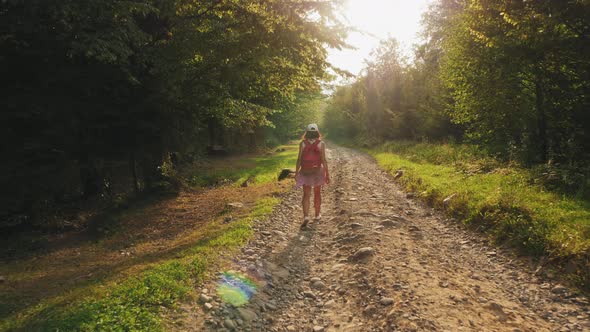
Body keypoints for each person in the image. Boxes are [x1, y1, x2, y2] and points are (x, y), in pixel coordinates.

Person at [295, 123, 330, 228]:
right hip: (317, 171)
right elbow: (324, 160)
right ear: (317, 132)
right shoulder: (321, 144)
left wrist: (297, 172)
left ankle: (306, 216)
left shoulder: (303, 143)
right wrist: (327, 174)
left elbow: (299, 159)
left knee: (306, 194)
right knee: (317, 193)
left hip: (305, 171)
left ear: (307, 132)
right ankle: (317, 215)